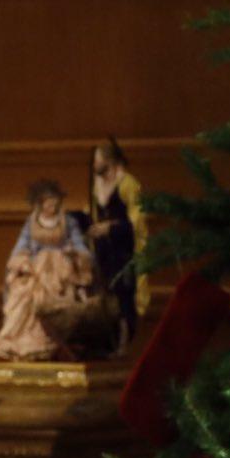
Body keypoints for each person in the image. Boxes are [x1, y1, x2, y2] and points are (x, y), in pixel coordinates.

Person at [0, 179, 107, 362]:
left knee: (56, 293)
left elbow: (81, 247)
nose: (52, 204)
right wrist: (23, 263)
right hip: (37, 270)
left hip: (62, 270)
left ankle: (51, 340)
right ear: (40, 203)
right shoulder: (31, 224)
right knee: (23, 295)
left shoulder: (67, 222)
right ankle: (22, 343)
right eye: (48, 201)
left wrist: (74, 253)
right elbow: (20, 248)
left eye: (54, 200)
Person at [85, 137, 147, 354]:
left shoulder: (128, 184)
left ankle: (125, 340)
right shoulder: (97, 187)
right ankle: (108, 342)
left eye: (98, 160)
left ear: (109, 161)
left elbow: (136, 223)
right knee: (106, 296)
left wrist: (110, 228)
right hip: (104, 252)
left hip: (123, 252)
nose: (94, 165)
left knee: (124, 297)